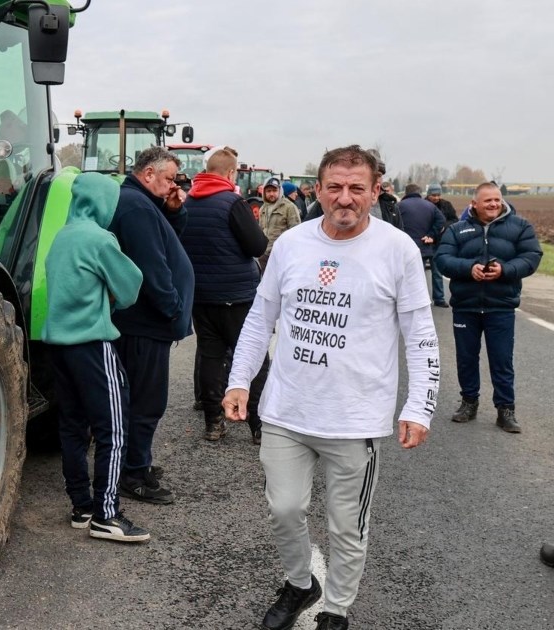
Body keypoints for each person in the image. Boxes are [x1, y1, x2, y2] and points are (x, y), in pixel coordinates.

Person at [223, 145, 439, 630]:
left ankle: (336, 611)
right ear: (317, 190)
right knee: (284, 509)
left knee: (347, 527)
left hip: (354, 420)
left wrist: (419, 407)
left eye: (356, 188)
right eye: (335, 188)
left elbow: (421, 334)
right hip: (285, 411)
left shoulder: (397, 250)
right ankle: (301, 585)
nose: (345, 198)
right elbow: (261, 319)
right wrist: (239, 381)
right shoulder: (292, 244)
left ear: (375, 191)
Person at [42, 172, 149, 542]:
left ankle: (82, 506)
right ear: (104, 202)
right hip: (93, 344)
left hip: (58, 346)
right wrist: (110, 300)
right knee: (113, 430)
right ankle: (107, 514)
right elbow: (132, 285)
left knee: (72, 427)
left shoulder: (62, 236)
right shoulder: (101, 240)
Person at [109, 146, 194, 505]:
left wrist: (173, 211)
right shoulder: (137, 207)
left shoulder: (144, 204)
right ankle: (133, 473)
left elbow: (164, 242)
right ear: (148, 175)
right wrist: (173, 309)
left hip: (145, 322)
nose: (173, 186)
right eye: (169, 179)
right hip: (145, 322)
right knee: (145, 402)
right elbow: (152, 266)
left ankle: (136, 464)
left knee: (144, 400)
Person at [434, 182, 543, 433]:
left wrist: (505, 270)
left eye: (497, 200)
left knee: (502, 359)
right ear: (474, 204)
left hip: (501, 307)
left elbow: (531, 257)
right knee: (466, 358)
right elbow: (443, 259)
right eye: (488, 201)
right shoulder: (457, 230)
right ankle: (469, 402)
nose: (494, 204)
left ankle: (506, 409)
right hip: (466, 306)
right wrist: (468, 268)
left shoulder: (520, 227)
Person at [181, 147, 270, 443]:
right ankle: (257, 425)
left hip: (202, 296)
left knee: (210, 357)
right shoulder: (233, 202)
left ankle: (213, 424)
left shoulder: (188, 202)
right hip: (236, 295)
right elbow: (257, 245)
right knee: (253, 357)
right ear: (231, 173)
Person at [397, 183, 447, 307]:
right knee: (432, 274)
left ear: (406, 193)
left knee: (411, 275)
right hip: (426, 245)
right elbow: (441, 220)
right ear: (420, 192)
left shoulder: (399, 206)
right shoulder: (430, 206)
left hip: (407, 247)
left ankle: (413, 300)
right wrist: (431, 234)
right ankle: (437, 299)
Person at [425, 184, 458, 306]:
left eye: (438, 195)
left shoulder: (446, 205)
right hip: (425, 242)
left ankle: (439, 298)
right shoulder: (423, 205)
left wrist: (444, 226)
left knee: (437, 272)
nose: (436, 197)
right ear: (428, 195)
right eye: (433, 195)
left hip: (439, 242)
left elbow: (454, 220)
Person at [257, 177, 301, 269]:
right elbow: (260, 231)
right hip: (265, 256)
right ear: (264, 192)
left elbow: (296, 233)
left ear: (280, 191)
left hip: (281, 256)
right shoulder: (262, 209)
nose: (271, 194)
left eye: (274, 190)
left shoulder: (289, 207)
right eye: (268, 191)